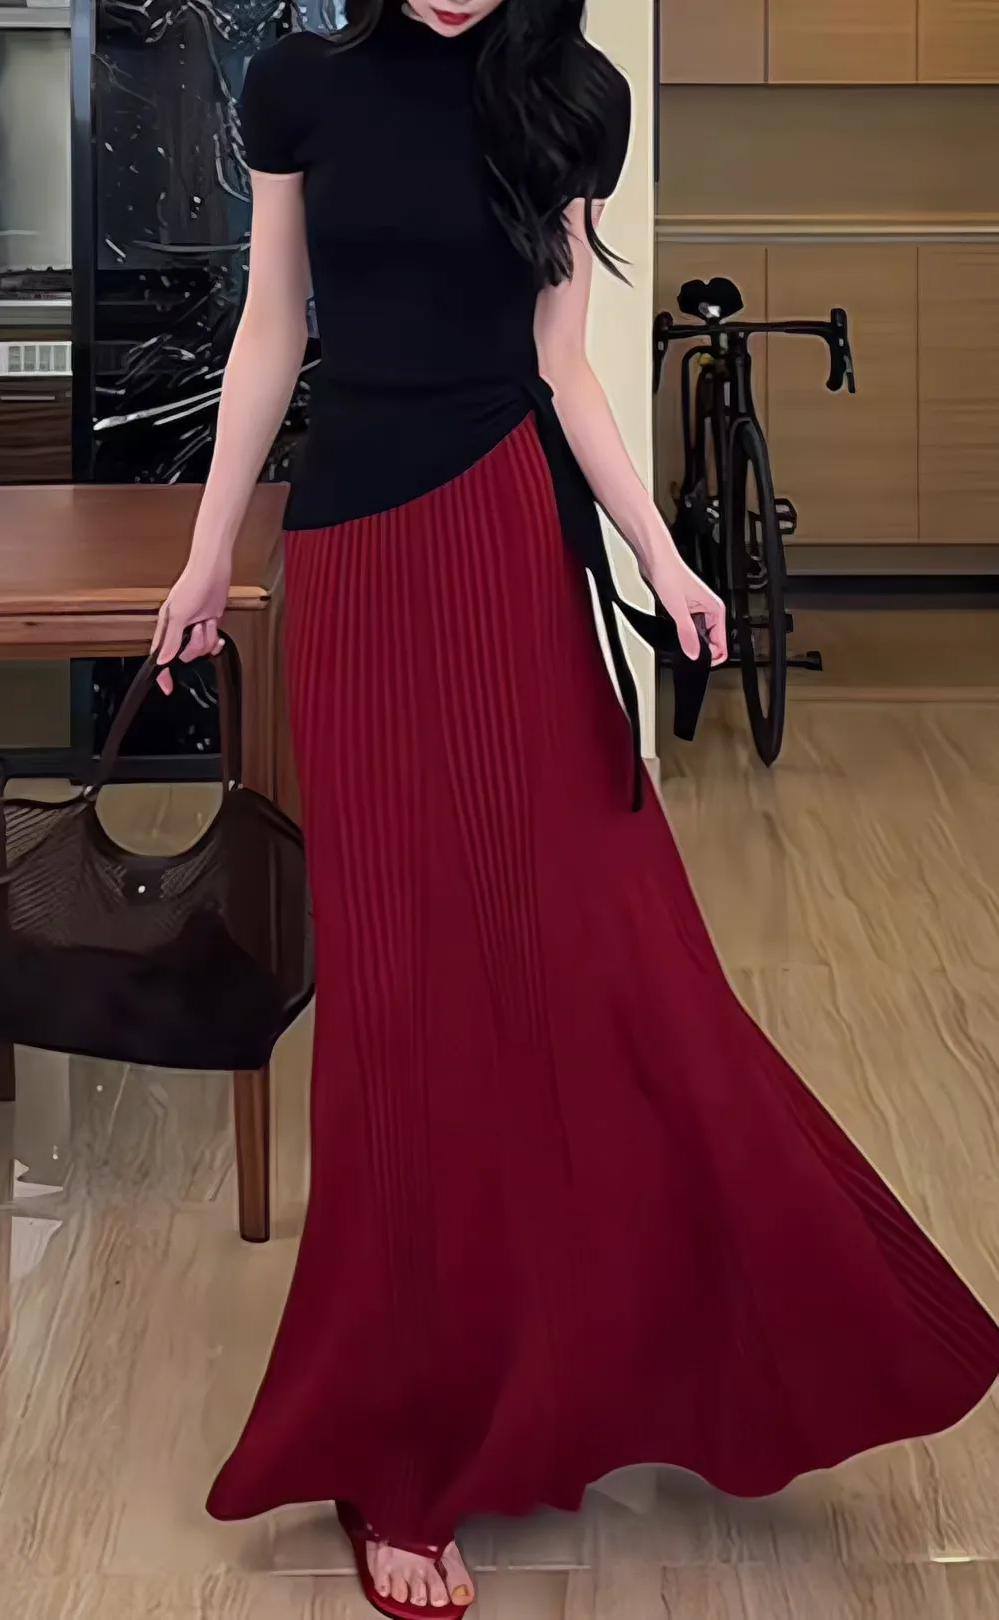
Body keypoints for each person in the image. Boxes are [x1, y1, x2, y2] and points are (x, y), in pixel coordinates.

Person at [149, 2, 999, 1616]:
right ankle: (403, 1451)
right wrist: (209, 558)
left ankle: (677, 1336)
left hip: (506, 554)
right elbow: (273, 332)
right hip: (356, 565)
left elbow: (561, 367)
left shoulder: (571, 97)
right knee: (400, 1005)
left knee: (614, 967)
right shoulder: (300, 86)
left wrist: (666, 558)